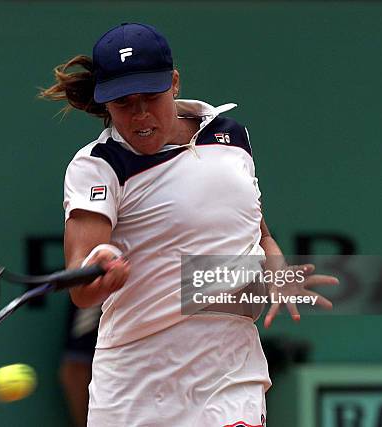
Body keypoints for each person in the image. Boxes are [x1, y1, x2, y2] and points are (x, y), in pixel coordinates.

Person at [40, 22, 338, 426]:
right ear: (105, 104)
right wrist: (100, 270)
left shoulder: (231, 138)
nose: (140, 114)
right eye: (124, 102)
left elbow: (259, 232)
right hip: (134, 389)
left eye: (151, 96)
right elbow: (81, 281)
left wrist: (277, 268)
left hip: (230, 377)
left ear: (174, 83)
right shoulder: (98, 165)